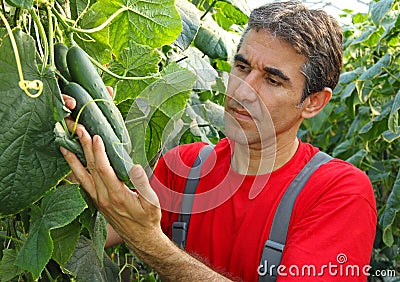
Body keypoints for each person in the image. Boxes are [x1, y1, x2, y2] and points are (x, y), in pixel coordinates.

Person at [60, 1, 377, 281]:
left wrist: (151, 243)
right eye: (242, 67)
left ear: (313, 102)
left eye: (271, 79)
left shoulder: (339, 193)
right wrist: (71, 149)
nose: (242, 91)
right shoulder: (185, 166)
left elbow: (141, 235)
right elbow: (90, 233)